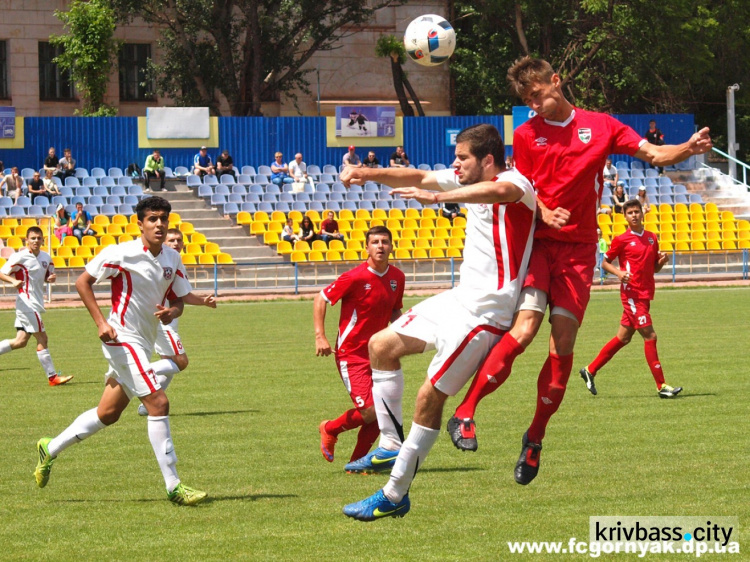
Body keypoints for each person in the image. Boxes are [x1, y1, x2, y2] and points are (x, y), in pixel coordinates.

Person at [444, 57, 711, 487]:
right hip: (538, 244)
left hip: (579, 251)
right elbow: (522, 188)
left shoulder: (602, 126)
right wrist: (545, 212)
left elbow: (654, 153)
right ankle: (466, 411)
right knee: (526, 327)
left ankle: (534, 438)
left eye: (536, 95)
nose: (533, 105)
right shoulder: (526, 133)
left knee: (562, 345)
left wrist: (687, 148)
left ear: (555, 80)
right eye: (526, 100)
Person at [339, 123, 536, 521]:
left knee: (429, 398)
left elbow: (499, 192)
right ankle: (392, 443)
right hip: (456, 300)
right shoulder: (463, 179)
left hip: (486, 316)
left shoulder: (516, 183)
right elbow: (418, 175)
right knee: (381, 346)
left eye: (462, 158)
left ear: (488, 160)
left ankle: (395, 494)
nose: (455, 164)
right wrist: (368, 173)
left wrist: (435, 196)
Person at [34, 196, 207, 506]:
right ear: (139, 223)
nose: (159, 224)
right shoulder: (121, 254)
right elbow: (83, 282)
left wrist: (173, 313)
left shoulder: (172, 258)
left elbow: (179, 299)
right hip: (120, 337)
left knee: (108, 414)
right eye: (152, 219)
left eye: (163, 219)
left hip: (142, 340)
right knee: (158, 402)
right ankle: (174, 486)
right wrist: (101, 322)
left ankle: (50, 447)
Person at [316, 226, 405, 466]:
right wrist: (320, 336)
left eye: (384, 241)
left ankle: (358, 463)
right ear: (366, 247)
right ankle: (330, 428)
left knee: (382, 413)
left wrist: (405, 334)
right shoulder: (355, 277)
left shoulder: (397, 277)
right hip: (351, 355)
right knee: (371, 411)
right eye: (375, 242)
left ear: (391, 246)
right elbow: (321, 298)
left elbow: (395, 310)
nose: (380, 246)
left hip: (380, 354)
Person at [579, 199, 682, 399]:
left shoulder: (652, 238)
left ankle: (590, 370)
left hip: (645, 294)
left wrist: (661, 262)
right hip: (631, 294)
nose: (634, 215)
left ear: (642, 213)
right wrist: (619, 273)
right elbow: (604, 263)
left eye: (636, 211)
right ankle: (662, 385)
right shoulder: (622, 239)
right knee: (650, 336)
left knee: (623, 338)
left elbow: (653, 269)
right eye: (630, 213)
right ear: (625, 217)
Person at [136, 228, 217, 416]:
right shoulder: (161, 261)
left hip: (166, 319)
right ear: (164, 241)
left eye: (179, 240)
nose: (175, 243)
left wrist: (202, 302)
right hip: (162, 320)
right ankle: (137, 372)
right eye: (171, 240)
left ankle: (147, 405)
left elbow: (184, 295)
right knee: (181, 362)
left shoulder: (174, 261)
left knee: (170, 367)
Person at [0, 227, 72, 387]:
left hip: (35, 303)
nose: (36, 241)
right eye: (33, 238)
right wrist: (12, 281)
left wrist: (51, 278)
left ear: (42, 240)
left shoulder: (46, 257)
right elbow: (2, 272)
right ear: (27, 240)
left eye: (39, 238)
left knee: (20, 341)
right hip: (27, 303)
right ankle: (53, 377)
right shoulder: (19, 257)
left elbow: (46, 276)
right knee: (42, 338)